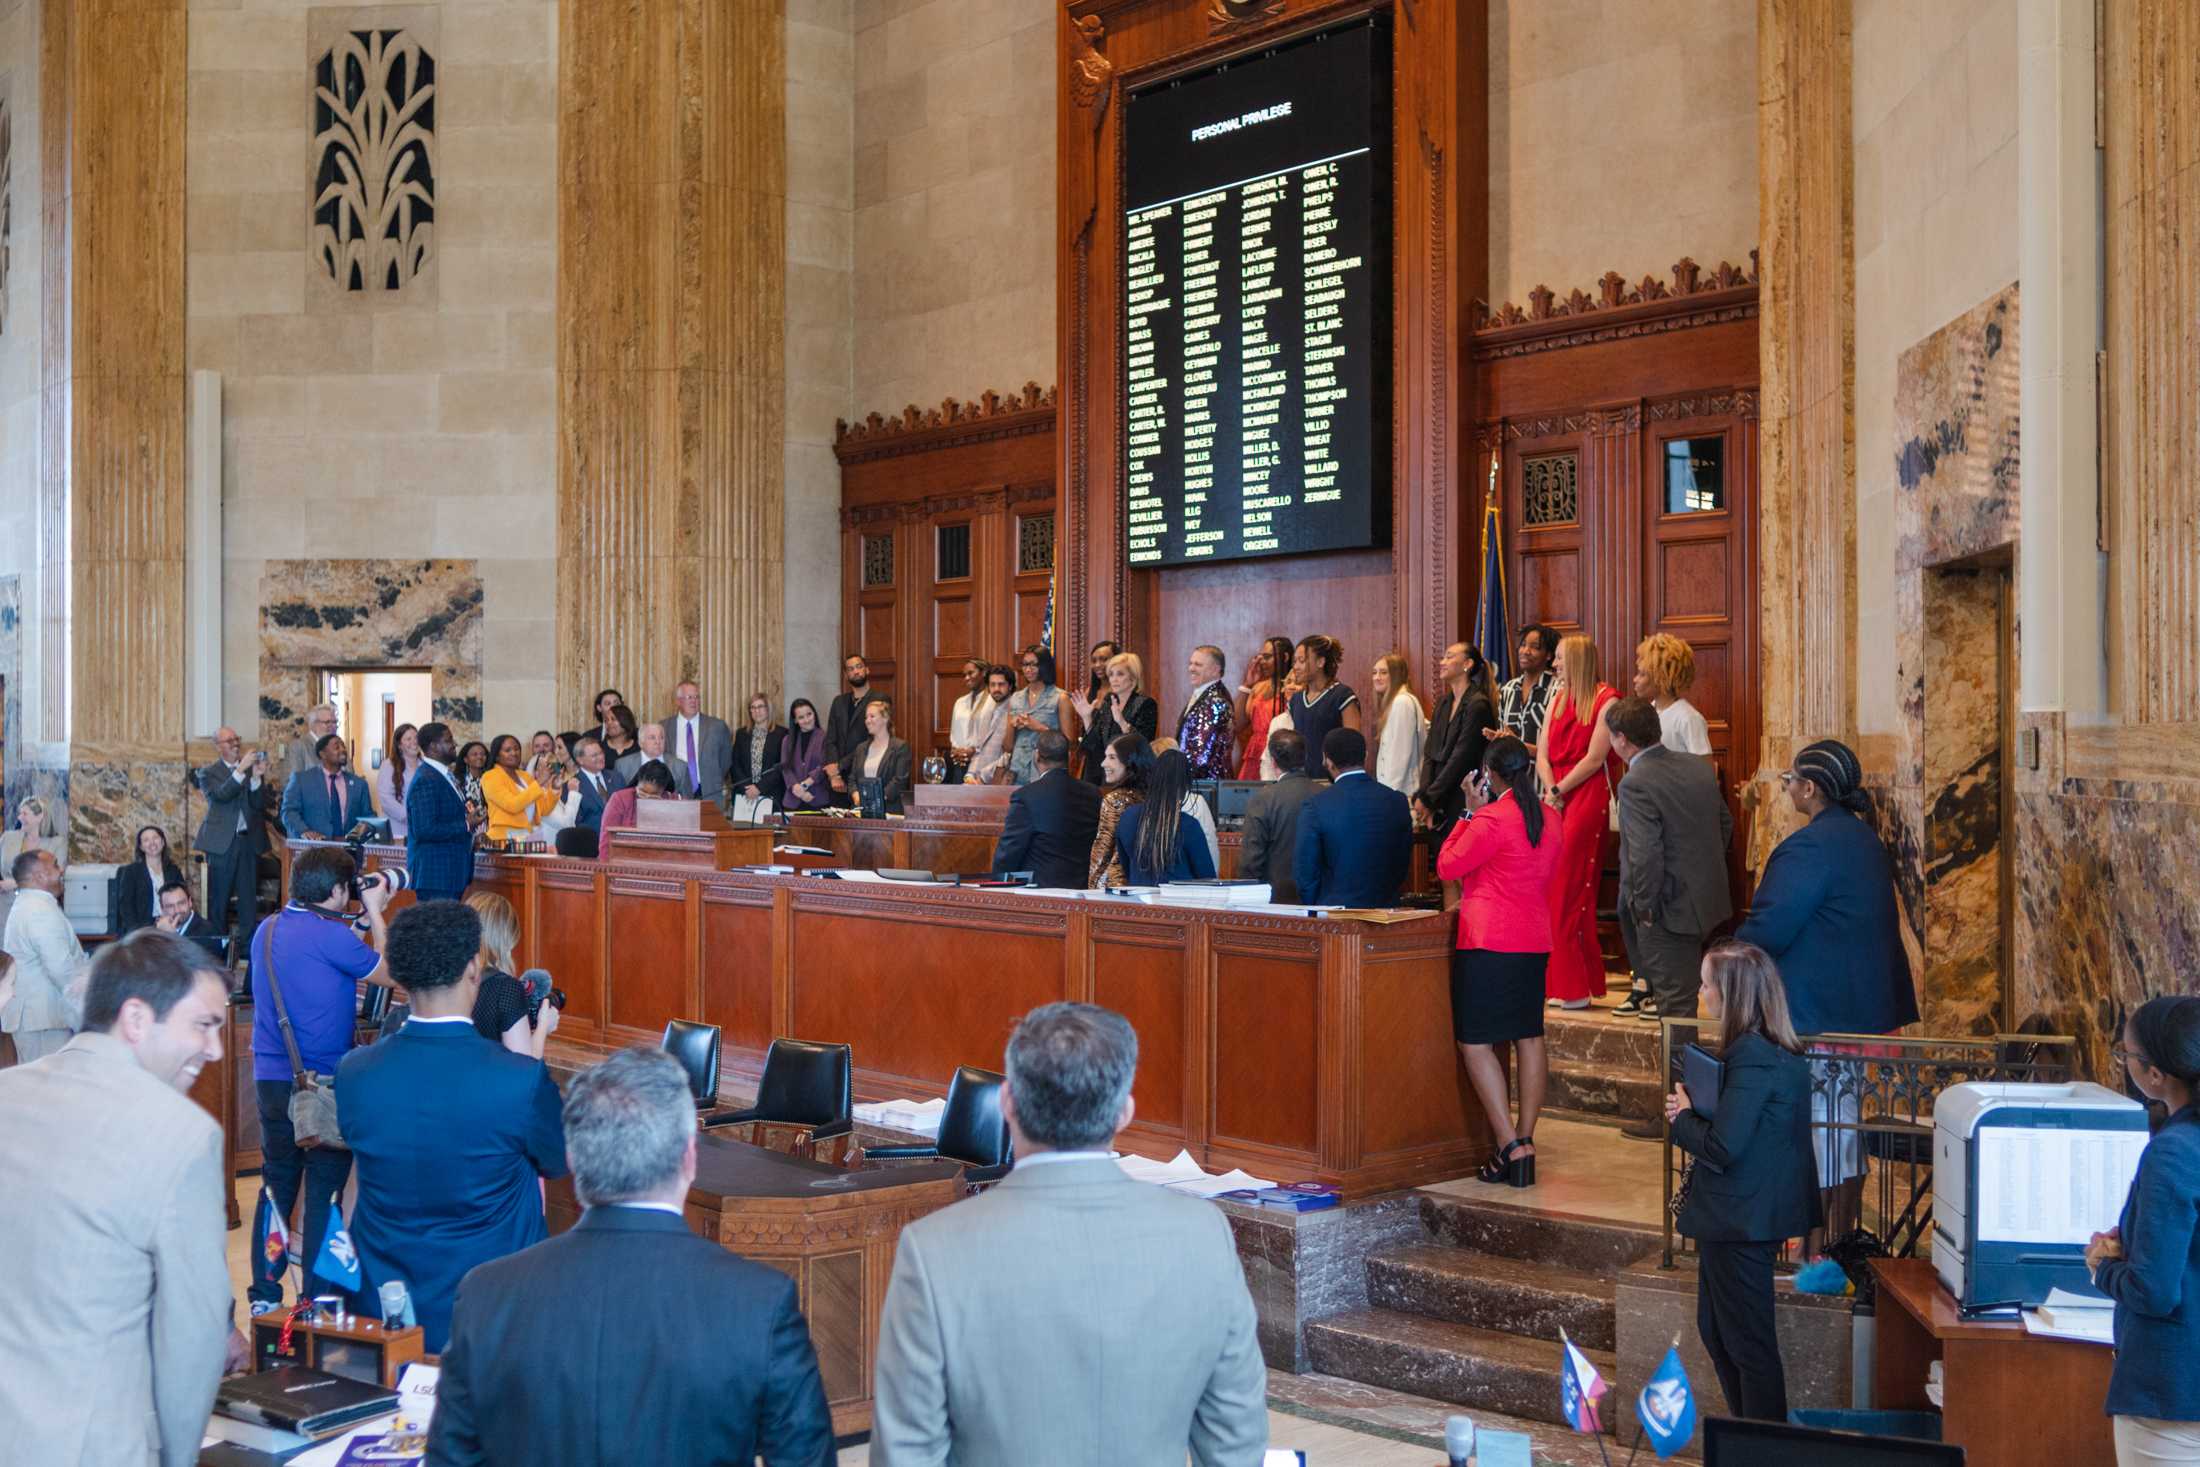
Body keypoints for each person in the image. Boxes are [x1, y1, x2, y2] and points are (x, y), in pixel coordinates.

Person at [872, 1002, 1267, 1466]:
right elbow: (1235, 1444)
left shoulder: (933, 1249)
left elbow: (905, 1456)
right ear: (1124, 1113)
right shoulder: (1203, 1237)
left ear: (1007, 1103)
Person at [431, 1047, 835, 1467]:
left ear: (573, 1160)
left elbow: (452, 1458)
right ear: (689, 1159)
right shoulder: (760, 1303)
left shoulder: (486, 1294)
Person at [0, 929, 241, 1467]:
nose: (216, 1049)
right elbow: (193, 1337)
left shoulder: (6, 1093)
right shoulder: (181, 1134)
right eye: (203, 1025)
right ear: (135, 1018)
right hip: (91, 1443)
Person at [337, 900, 568, 1353]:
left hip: (387, 1312)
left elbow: (359, 1185)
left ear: (401, 976)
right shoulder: (519, 1079)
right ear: (473, 968)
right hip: (493, 1313)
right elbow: (557, 1161)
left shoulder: (354, 1073)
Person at [1735, 737, 1919, 1239]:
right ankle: (1838, 1237)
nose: (1788, 787)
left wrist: (1725, 959)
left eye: (1791, 779)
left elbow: (1771, 927)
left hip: (1822, 1017)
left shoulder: (1810, 847)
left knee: (1822, 1133)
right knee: (1841, 1130)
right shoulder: (1862, 839)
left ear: (1810, 788)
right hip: (1860, 1013)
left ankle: (1817, 1249)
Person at [1664, 941, 1820, 1424]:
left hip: (1742, 1218)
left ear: (1731, 993)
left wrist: (1682, 1117)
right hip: (1738, 1216)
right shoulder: (1765, 1048)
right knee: (1716, 1331)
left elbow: (1724, 1146)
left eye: (1707, 982)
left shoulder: (1753, 1054)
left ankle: (1761, 1447)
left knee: (1749, 1345)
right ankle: (1747, 1438)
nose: (1701, 991)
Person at [247, 845, 392, 1314]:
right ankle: (316, 1302)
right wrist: (375, 911)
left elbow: (317, 950)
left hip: (270, 1076)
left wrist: (359, 924)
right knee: (324, 1197)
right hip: (324, 1083)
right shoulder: (334, 939)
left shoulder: (266, 929)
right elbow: (393, 972)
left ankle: (264, 1299)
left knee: (276, 1187)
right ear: (335, 891)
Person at [1439, 736, 1562, 1186]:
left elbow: (1448, 866)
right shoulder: (1551, 819)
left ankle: (1509, 1144)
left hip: (1489, 940)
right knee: (1529, 1036)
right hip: (1533, 938)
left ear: (1490, 775)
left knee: (1475, 1043)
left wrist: (1468, 811)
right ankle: (1526, 1140)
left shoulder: (1490, 819)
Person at [2092, 996, 2200, 1466]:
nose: (2125, 1064)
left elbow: (2154, 1291)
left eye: (2127, 1056)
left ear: (2155, 1075)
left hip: (2172, 1396)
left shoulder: (2174, 1151)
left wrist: (2104, 1269)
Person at [1606, 696, 1732, 1036]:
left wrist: (1644, 908)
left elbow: (1644, 855)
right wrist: (1701, 870)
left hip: (1666, 910)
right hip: (1706, 902)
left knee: (1675, 1012)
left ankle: (1681, 1087)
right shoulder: (1696, 767)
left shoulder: (1635, 783)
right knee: (1685, 1002)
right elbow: (1725, 823)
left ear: (1621, 739)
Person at [1537, 635, 1620, 1008]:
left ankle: (1573, 986)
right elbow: (1541, 753)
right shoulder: (1556, 698)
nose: (1554, 665)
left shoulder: (1607, 700)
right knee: (1553, 887)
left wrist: (1558, 791)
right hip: (1556, 794)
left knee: (1571, 887)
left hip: (1585, 796)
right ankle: (1565, 982)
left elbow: (1594, 758)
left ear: (1578, 661)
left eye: (1559, 659)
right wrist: (1551, 789)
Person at [1294, 728, 1412, 908]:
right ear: (1365, 756)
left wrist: (1316, 909)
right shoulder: (1397, 801)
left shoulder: (1316, 806)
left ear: (1327, 760)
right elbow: (1402, 863)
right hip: (1386, 913)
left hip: (1334, 916)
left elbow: (1306, 873)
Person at [1417, 642, 1495, 905]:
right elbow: (1430, 752)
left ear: (1467, 664)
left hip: (1464, 797)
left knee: (1463, 872)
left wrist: (1431, 798)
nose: (1442, 661)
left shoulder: (1478, 704)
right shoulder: (1444, 703)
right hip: (1440, 798)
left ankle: (1467, 934)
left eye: (1450, 656)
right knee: (1445, 871)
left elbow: (1461, 758)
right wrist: (1425, 795)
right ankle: (1451, 937)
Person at [3, 849, 87, 1063]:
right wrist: (87, 1010)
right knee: (48, 1089)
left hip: (39, 1018)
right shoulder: (38, 910)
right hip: (42, 1020)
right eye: (56, 865)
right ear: (40, 876)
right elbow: (61, 970)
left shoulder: (32, 904)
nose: (61, 871)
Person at [992, 731, 1104, 888]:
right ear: (1070, 757)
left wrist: (997, 885)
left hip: (1040, 894)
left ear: (1036, 756)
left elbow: (1009, 852)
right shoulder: (1093, 793)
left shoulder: (1025, 796)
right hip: (1083, 889)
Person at [198, 727, 271, 955]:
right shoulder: (207, 773)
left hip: (248, 842)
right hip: (222, 844)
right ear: (218, 746)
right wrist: (240, 770)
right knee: (219, 899)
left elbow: (260, 805)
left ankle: (248, 950)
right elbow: (221, 795)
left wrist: (257, 779)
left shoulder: (250, 770)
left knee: (248, 899)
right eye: (229, 740)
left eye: (236, 739)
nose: (235, 743)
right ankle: (218, 950)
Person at [466, 892, 559, 1059]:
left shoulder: (448, 979)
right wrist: (543, 1027)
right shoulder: (506, 989)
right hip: (489, 1082)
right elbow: (523, 1067)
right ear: (505, 940)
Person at [1113, 750, 1217, 886]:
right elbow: (1207, 877)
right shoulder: (1188, 825)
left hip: (1139, 900)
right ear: (1185, 784)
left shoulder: (1128, 816)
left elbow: (1126, 866)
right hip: (1180, 903)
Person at [1238, 728, 1318, 902]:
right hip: (1320, 900)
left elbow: (1251, 861)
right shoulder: (1325, 794)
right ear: (1304, 758)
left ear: (1273, 762)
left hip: (1275, 901)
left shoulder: (1263, 799)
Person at [407, 722, 482, 904]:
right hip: (436, 874)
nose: (454, 744)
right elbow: (424, 829)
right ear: (433, 746)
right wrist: (466, 824)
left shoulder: (445, 775)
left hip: (451, 872)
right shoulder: (426, 779)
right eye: (448, 740)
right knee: (436, 931)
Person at [1079, 651, 1159, 786]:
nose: (1113, 679)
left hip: (1130, 777)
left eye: (1120, 674)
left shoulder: (1145, 704)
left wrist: (1121, 722)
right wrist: (1087, 718)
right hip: (1104, 775)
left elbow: (1142, 746)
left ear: (1133, 678)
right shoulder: (1108, 703)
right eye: (1111, 674)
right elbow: (1094, 747)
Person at [1087, 733, 1153, 888]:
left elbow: (1102, 852)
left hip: (1114, 886)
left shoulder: (1115, 800)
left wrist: (1091, 889)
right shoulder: (1153, 797)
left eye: (1112, 757)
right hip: (1145, 884)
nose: (1103, 763)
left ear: (1130, 761)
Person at [1005, 645, 1076, 786]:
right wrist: (1012, 726)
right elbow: (1007, 747)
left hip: (1047, 772)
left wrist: (1040, 728)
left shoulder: (1060, 698)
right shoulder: (1015, 698)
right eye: (1025, 664)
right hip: (1017, 773)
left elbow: (1070, 743)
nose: (1028, 669)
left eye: (1033, 664)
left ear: (1044, 666)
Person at [281, 733, 374, 840]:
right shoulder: (301, 780)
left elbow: (368, 816)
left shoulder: (359, 784)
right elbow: (289, 812)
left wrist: (360, 834)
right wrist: (304, 831)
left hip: (349, 850)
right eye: (336, 747)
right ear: (322, 754)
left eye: (343, 746)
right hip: (314, 849)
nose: (343, 750)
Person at [822, 656, 888, 806]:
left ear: (867, 669)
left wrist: (839, 766)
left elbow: (872, 739)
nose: (856, 671)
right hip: (837, 782)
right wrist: (834, 774)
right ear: (846, 675)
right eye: (850, 669)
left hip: (863, 773)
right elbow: (831, 739)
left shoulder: (879, 699)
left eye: (859, 666)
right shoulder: (839, 701)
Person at [1634, 632, 1713, 755]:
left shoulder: (1688, 718)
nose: (1635, 680)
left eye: (1642, 674)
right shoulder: (1647, 712)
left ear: (1660, 678)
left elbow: (1705, 770)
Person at [663, 680, 735, 811]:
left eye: (697, 697)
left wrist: (712, 776)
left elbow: (725, 760)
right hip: (677, 792)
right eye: (689, 697)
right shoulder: (664, 727)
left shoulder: (717, 726)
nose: (694, 701)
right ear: (678, 701)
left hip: (709, 790)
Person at [1233, 634, 1295, 781]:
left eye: (1267, 657)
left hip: (1283, 752)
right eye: (1260, 657)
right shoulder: (1259, 688)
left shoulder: (1295, 689)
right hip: (1256, 754)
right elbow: (1237, 724)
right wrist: (1247, 685)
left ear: (1285, 657)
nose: (1262, 662)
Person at [1288, 634, 1362, 758]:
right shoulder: (1296, 700)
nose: (1296, 667)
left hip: (1331, 776)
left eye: (1302, 661)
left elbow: (1353, 745)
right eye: (1294, 661)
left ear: (1320, 662)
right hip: (1303, 776)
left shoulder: (1342, 696)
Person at [0, 795, 64, 933]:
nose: (19, 818)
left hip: (39, 911)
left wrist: (16, 883)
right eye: (19, 813)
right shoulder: (8, 837)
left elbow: (55, 879)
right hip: (5, 911)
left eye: (25, 813)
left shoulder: (57, 843)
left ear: (40, 816)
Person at [480, 734, 560, 844]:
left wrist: (555, 788)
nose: (514, 753)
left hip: (527, 837)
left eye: (517, 749)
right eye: (507, 750)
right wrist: (540, 782)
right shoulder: (490, 777)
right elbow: (512, 805)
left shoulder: (525, 776)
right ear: (497, 756)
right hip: (503, 839)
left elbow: (544, 809)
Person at [1370, 651, 1429, 796]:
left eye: (1383, 673)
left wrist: (1387, 796)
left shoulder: (1401, 702)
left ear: (1396, 676)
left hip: (1401, 793)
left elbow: (1399, 757)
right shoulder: (1400, 701)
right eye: (1374, 672)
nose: (1377, 677)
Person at [1493, 623, 1559, 749]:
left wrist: (1520, 746)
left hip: (1543, 768)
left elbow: (1560, 746)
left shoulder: (1558, 689)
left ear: (1549, 655)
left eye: (1535, 647)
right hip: (1510, 767)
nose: (1525, 651)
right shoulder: (1508, 689)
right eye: (1523, 645)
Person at [1175, 645, 1237, 780]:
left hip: (1207, 786)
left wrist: (1175, 779)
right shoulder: (1206, 695)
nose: (1191, 668)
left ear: (1215, 670)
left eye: (1198, 665)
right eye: (1191, 663)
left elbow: (1201, 755)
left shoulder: (1214, 701)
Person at [117, 824, 186, 936]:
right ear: (141, 847)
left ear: (162, 842)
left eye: (155, 838)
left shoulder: (174, 870)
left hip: (172, 924)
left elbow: (183, 898)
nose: (152, 843)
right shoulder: (131, 871)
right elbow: (126, 908)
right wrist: (136, 934)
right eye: (146, 840)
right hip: (143, 929)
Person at [850, 697, 913, 814]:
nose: (867, 720)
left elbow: (900, 780)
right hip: (861, 812)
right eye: (866, 717)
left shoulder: (900, 747)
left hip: (889, 812)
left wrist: (875, 799)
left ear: (885, 718)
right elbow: (852, 779)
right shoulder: (860, 748)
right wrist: (856, 795)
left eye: (872, 716)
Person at [599, 759, 677, 849]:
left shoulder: (672, 801)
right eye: (642, 792)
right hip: (624, 856)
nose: (646, 798)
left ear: (663, 791)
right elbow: (606, 839)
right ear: (637, 784)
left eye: (653, 795)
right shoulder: (620, 799)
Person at [556, 734, 626, 831]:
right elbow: (574, 822)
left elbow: (627, 809)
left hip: (618, 839)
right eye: (594, 755)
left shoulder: (617, 778)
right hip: (590, 842)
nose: (601, 757)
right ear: (580, 760)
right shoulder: (572, 786)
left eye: (601, 753)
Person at [946, 659, 999, 786]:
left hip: (983, 762)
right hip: (959, 762)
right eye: (964, 675)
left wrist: (973, 750)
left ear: (984, 673)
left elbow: (995, 735)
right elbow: (954, 733)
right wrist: (956, 751)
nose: (966, 678)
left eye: (971, 673)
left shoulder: (994, 701)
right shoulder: (960, 702)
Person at [729, 692, 786, 809]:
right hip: (745, 795)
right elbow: (735, 764)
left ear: (768, 709)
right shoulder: (741, 734)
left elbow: (782, 766)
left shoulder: (782, 734)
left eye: (760, 707)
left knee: (769, 827)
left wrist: (759, 788)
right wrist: (747, 787)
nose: (756, 711)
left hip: (772, 794)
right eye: (753, 708)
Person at [963, 667, 1017, 785]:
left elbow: (1011, 754)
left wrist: (983, 777)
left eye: (1001, 684)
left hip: (1000, 781)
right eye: (992, 685)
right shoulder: (986, 710)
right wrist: (970, 775)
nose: (996, 689)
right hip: (976, 782)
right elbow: (979, 749)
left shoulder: (1016, 709)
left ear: (1010, 686)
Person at [616, 717, 693, 797]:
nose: (658, 742)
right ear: (641, 742)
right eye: (652, 738)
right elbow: (618, 798)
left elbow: (688, 800)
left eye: (661, 737)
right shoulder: (623, 765)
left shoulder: (680, 766)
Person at [155, 880, 228, 963]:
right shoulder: (156, 930)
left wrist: (170, 936)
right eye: (170, 906)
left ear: (190, 902)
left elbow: (193, 968)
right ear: (162, 909)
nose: (177, 910)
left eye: (181, 903)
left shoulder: (209, 932)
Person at [778, 699, 831, 810]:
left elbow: (825, 765)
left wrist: (805, 784)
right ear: (795, 720)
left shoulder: (825, 737)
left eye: (809, 714)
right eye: (801, 717)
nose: (807, 720)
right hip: (792, 800)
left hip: (817, 798)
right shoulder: (787, 740)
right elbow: (785, 768)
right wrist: (797, 789)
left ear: (814, 714)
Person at [376, 721, 421, 840]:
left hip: (423, 829)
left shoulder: (425, 766)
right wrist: (409, 817)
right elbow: (386, 798)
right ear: (399, 745)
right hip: (398, 829)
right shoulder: (388, 765)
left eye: (416, 737)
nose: (414, 742)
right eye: (408, 739)